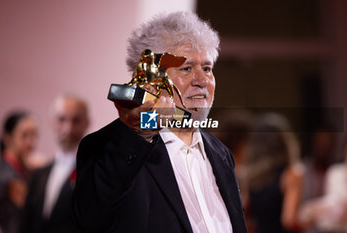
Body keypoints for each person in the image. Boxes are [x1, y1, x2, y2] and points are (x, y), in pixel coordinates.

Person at [72, 11, 248, 233]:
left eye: (207, 68)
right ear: (151, 80)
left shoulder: (221, 154)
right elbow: (90, 221)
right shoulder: (105, 147)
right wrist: (139, 133)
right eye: (187, 68)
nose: (202, 80)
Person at [19, 95, 90, 233]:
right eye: (61, 119)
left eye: (75, 120)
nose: (68, 128)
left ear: (86, 123)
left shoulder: (93, 174)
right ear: (52, 122)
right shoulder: (38, 174)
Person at [244, 113, 303, 233]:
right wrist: (310, 219)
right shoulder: (291, 175)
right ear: (285, 142)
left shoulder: (251, 178)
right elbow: (289, 220)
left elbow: (243, 214)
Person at [0, 111, 38, 233]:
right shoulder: (8, 176)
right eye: (24, 135)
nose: (30, 142)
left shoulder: (19, 170)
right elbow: (38, 211)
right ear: (7, 137)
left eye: (34, 135)